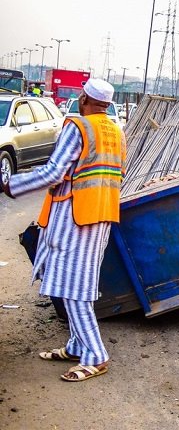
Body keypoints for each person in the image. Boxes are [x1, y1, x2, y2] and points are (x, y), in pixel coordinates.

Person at [0, 79, 126, 382]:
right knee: (77, 284)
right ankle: (75, 345)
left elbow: (53, 172)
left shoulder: (78, 127)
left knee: (74, 292)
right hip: (100, 216)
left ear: (83, 98)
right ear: (106, 104)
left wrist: (10, 185)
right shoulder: (115, 131)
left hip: (75, 218)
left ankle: (95, 355)